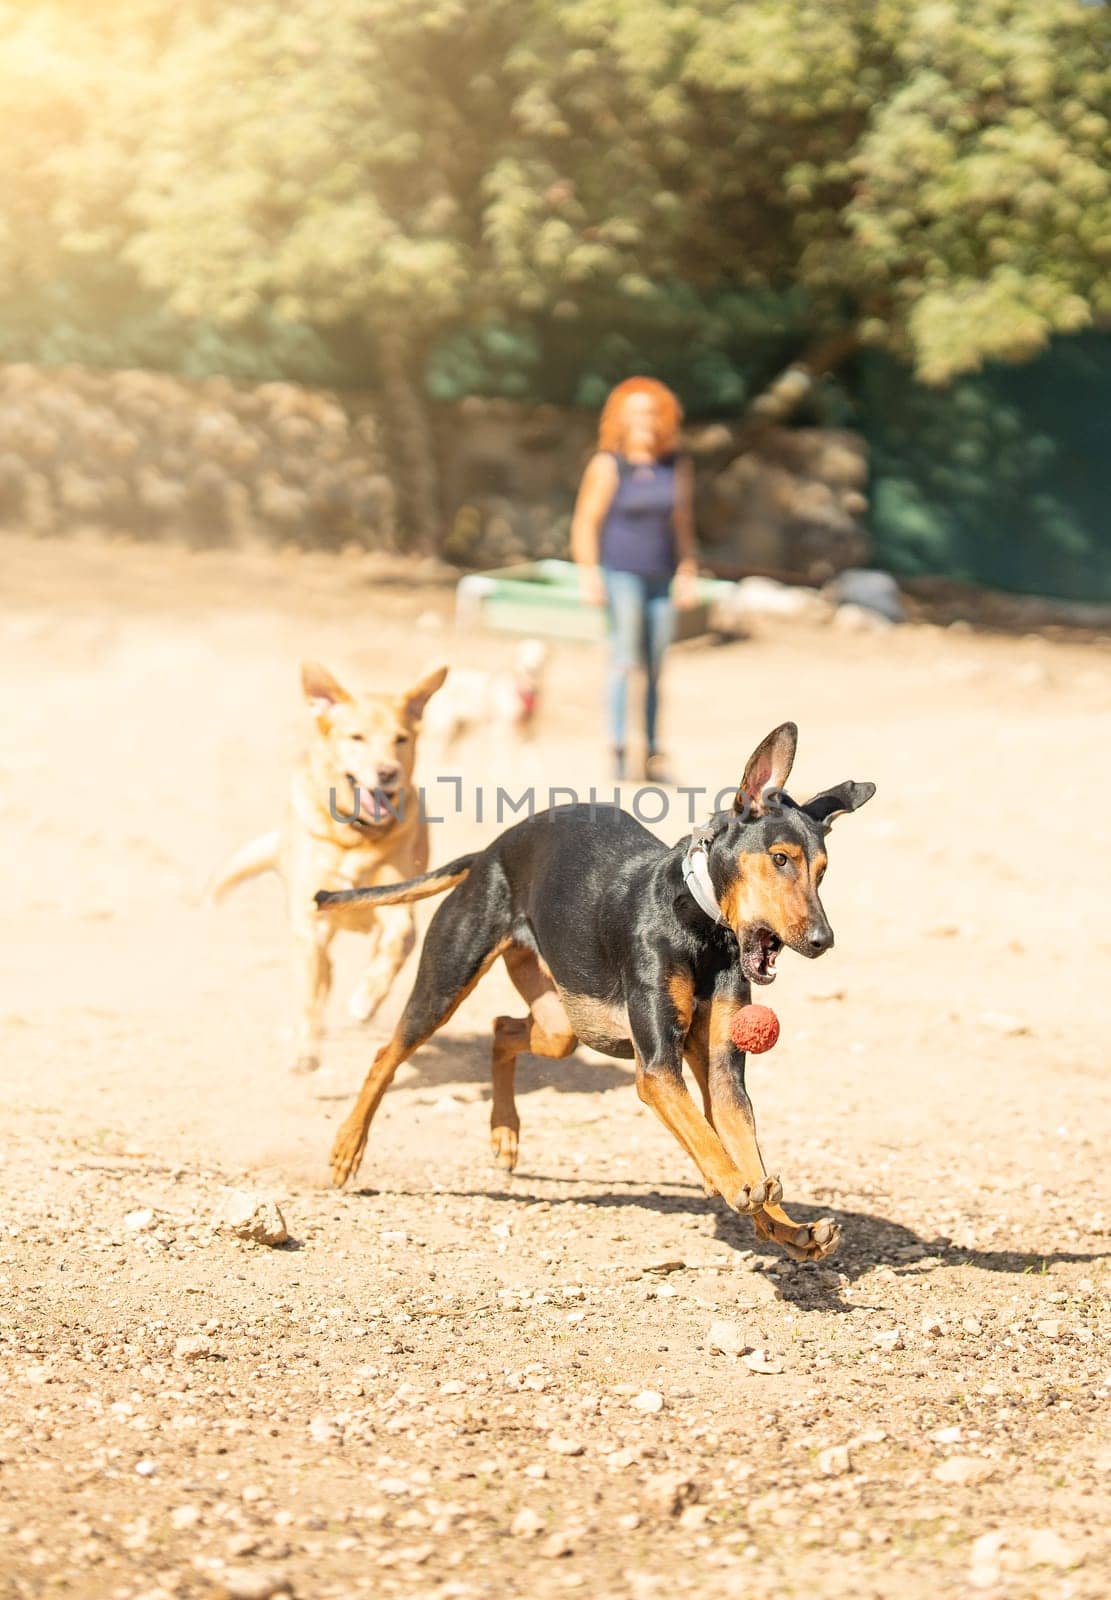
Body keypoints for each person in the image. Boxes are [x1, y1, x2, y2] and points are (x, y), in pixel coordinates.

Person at [570, 377, 699, 782]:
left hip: (661, 574)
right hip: (621, 574)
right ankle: (620, 752)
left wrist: (688, 569)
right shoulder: (608, 465)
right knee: (624, 661)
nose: (644, 421)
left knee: (657, 666)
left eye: (651, 412)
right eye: (635, 413)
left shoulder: (675, 466)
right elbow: (585, 524)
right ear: (620, 419)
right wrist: (588, 573)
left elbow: (682, 522)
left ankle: (653, 754)